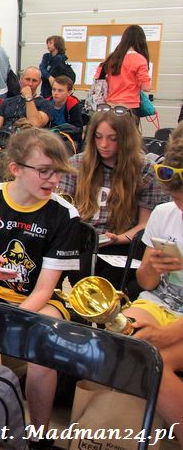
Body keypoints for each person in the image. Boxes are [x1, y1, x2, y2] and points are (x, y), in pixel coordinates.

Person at [0, 128, 80, 438]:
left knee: (42, 350)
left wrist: (2, 325)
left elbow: (45, 289)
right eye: (44, 171)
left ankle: (39, 433)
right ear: (16, 168)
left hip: (41, 299)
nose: (53, 180)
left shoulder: (64, 214)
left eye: (58, 172)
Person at [121, 124, 183, 428]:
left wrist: (167, 334)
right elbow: (146, 284)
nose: (180, 208)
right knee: (118, 346)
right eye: (178, 201)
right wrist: (151, 268)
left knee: (154, 363)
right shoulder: (164, 212)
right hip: (160, 303)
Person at [58, 109, 167, 281]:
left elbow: (145, 224)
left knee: (112, 274)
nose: (104, 144)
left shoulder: (145, 169)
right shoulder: (77, 164)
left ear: (126, 139)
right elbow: (62, 212)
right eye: (98, 137)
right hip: (81, 240)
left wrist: (118, 239)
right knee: (77, 267)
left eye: (113, 138)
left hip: (121, 241)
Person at [96, 25, 152, 118]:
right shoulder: (140, 59)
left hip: (110, 106)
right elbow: (146, 87)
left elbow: (97, 77)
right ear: (141, 40)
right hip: (130, 107)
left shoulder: (112, 58)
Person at [0, 67, 53, 132]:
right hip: (5, 136)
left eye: (34, 80)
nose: (30, 84)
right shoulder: (7, 102)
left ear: (39, 82)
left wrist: (28, 97)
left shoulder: (46, 104)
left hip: (28, 136)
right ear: (21, 80)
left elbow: (35, 124)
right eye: (27, 79)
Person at [46, 75, 84, 149]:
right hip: (49, 138)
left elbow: (78, 129)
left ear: (69, 92)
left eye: (60, 90)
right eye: (54, 89)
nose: (55, 93)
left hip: (68, 139)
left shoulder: (73, 105)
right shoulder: (46, 104)